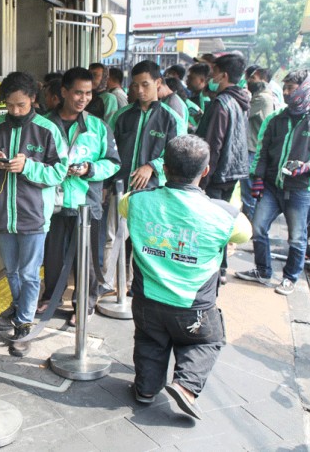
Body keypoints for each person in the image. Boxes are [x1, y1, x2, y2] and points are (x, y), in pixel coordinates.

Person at [120, 135, 251, 419]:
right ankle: (186, 386)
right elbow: (244, 233)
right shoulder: (226, 215)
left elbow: (125, 207)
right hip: (194, 306)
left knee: (149, 341)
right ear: (205, 171)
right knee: (206, 341)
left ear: (164, 168)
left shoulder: (134, 201)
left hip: (146, 299)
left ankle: (145, 389)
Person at [0, 71, 67, 356]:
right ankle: (20, 308)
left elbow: (59, 171)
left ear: (33, 99)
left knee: (29, 273)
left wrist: (28, 166)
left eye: (21, 104)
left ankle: (24, 324)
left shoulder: (47, 129)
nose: (15, 111)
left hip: (34, 215)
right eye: (9, 105)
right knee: (11, 270)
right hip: (2, 213)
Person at [37, 67, 120, 323]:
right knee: (53, 256)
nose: (83, 99)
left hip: (87, 203)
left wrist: (90, 169)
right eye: (77, 93)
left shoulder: (98, 127)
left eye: (88, 93)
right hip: (52, 203)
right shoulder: (43, 125)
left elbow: (114, 163)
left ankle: (84, 303)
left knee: (88, 257)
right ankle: (51, 296)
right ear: (64, 92)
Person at [236, 70, 310, 296]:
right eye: (284, 89)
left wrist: (307, 166)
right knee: (258, 227)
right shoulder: (276, 119)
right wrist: (257, 179)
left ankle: (289, 278)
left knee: (297, 237)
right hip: (273, 186)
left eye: (290, 89)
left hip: (301, 190)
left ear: (304, 90)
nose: (285, 93)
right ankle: (263, 271)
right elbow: (263, 151)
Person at [108, 60, 182, 289]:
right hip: (119, 187)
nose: (139, 90)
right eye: (135, 85)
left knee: (147, 242)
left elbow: (177, 154)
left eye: (145, 84)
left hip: (152, 191)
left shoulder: (172, 118)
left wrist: (152, 166)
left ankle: (141, 287)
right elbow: (109, 150)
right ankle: (106, 286)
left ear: (158, 83)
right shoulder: (121, 115)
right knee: (112, 240)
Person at [195, 54, 250, 284]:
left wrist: (202, 179)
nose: (211, 77)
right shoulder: (241, 99)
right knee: (223, 221)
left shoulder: (221, 103)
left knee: (211, 225)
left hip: (217, 174)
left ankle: (213, 272)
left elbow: (213, 145)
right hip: (232, 171)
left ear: (224, 75)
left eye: (214, 72)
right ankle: (222, 269)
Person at [241, 67, 278, 220]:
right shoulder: (267, 97)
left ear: (261, 79)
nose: (249, 81)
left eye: (252, 78)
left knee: (249, 192)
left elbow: (243, 113)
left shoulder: (262, 98)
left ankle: (251, 225)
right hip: (255, 149)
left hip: (252, 150)